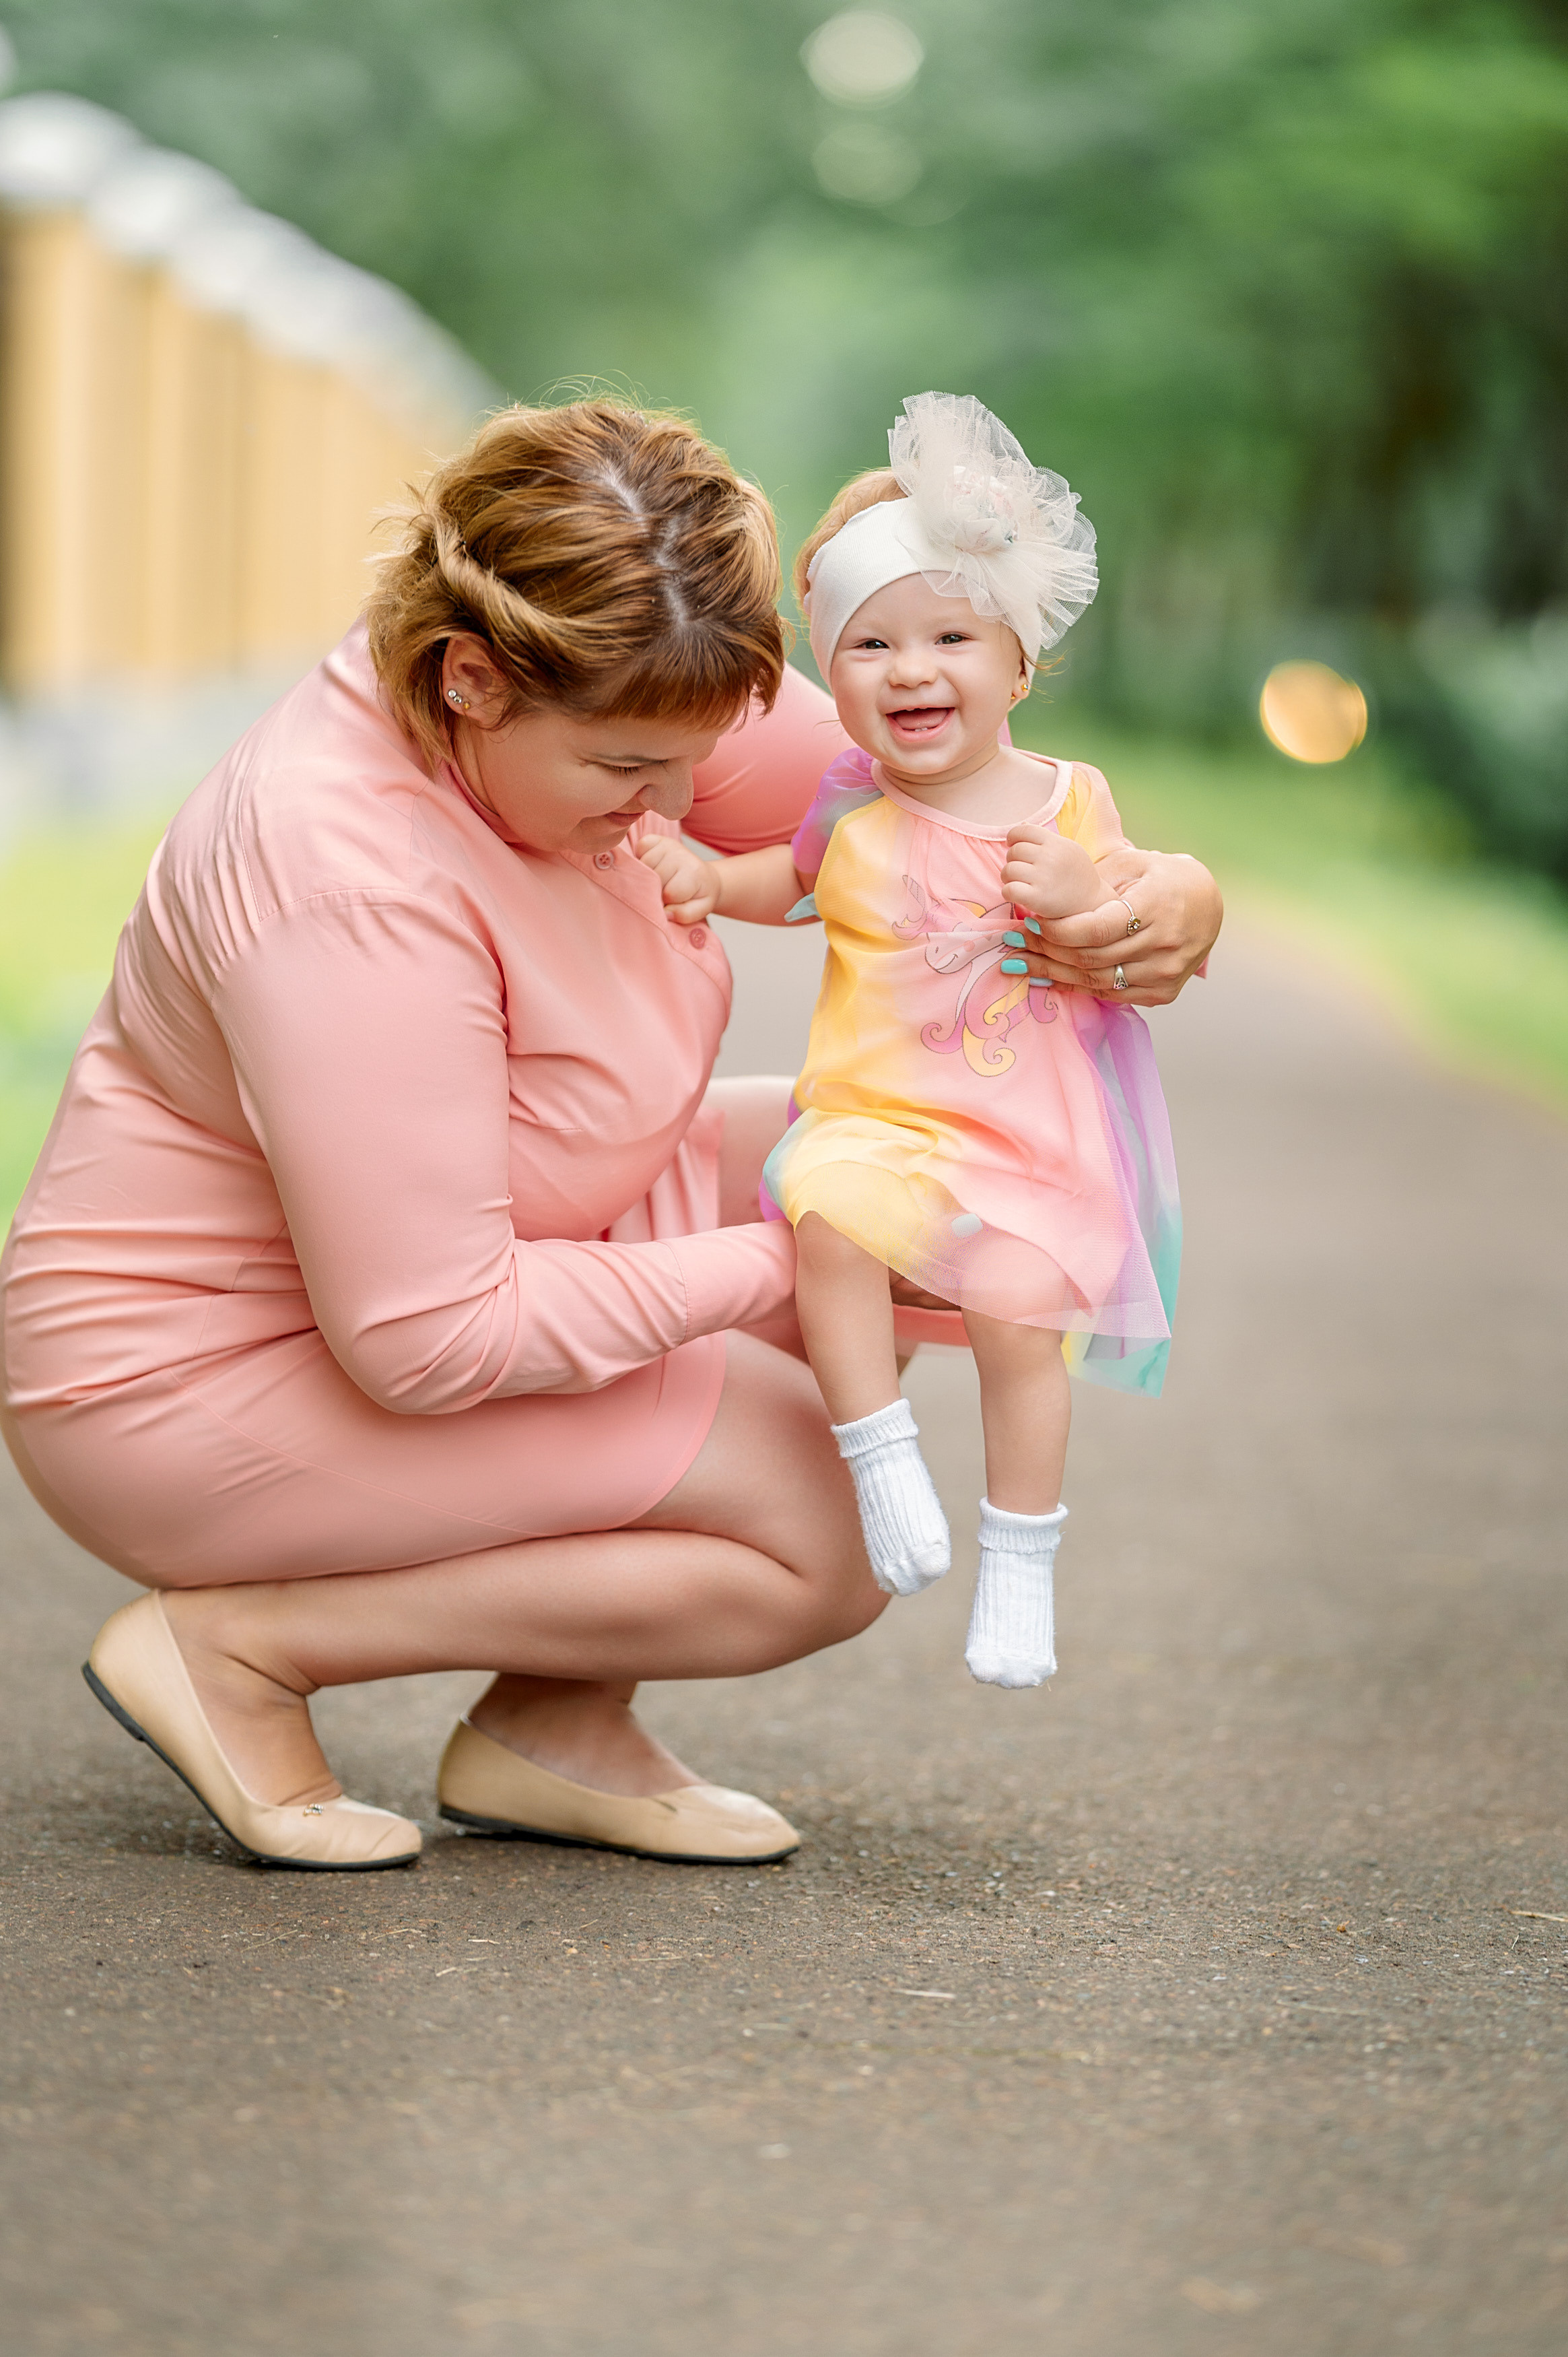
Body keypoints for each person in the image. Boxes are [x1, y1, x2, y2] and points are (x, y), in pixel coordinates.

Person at [0, 396, 1222, 1875]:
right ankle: (242, 1650)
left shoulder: (629, 686)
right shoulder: (349, 879)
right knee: (821, 1527)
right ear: (470, 682)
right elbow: (428, 1335)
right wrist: (782, 1254)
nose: (681, 801)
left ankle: (553, 1725)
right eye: (634, 774)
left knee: (944, 1162)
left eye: (692, 759)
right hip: (201, 1373)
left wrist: (1167, 891)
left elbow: (958, 791)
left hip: (517, 1207)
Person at [633, 394, 1185, 1695]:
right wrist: (712, 883)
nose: (911, 669)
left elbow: (1130, 929)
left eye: (950, 636)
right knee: (825, 1224)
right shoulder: (850, 805)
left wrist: (1079, 896)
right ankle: (879, 1457)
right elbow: (795, 881)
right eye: (869, 645)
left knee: (1015, 1328)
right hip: (879, 1118)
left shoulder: (1068, 801)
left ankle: (1021, 1556)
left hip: (1028, 1134)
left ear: (1017, 666)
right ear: (839, 678)